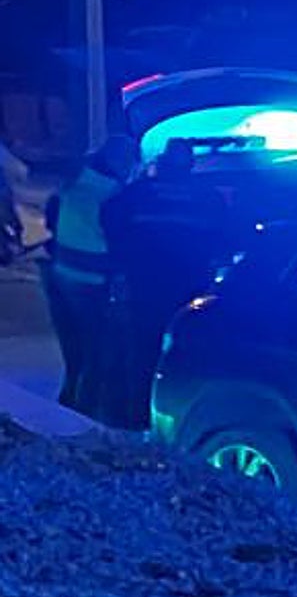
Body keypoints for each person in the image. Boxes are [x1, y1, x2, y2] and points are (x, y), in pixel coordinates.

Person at [102, 139, 230, 430]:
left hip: (145, 284)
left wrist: (123, 261)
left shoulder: (139, 193)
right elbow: (225, 240)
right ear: (190, 166)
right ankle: (175, 419)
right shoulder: (207, 198)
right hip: (188, 288)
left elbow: (110, 219)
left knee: (141, 350)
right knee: (183, 354)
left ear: (162, 162)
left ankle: (135, 417)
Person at [43, 135, 139, 415]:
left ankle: (66, 405)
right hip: (92, 282)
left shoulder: (72, 184)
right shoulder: (114, 196)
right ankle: (85, 416)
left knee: (74, 353)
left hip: (62, 275)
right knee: (96, 356)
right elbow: (121, 241)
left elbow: (51, 223)